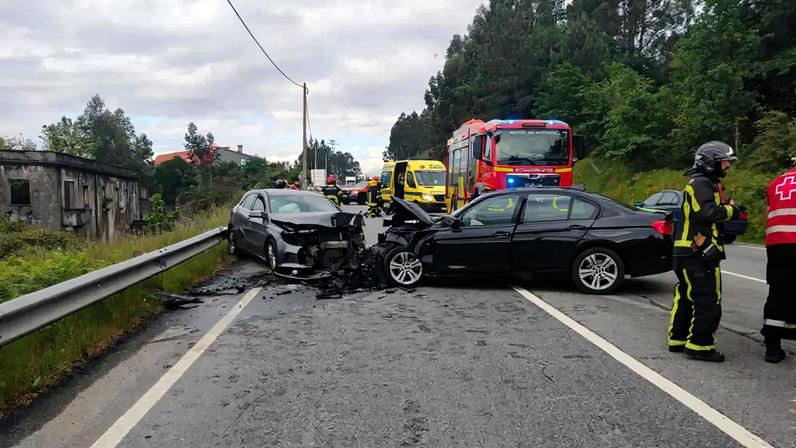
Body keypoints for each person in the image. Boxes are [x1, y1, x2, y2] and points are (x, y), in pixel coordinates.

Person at [667, 141, 741, 362]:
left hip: (687, 253)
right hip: (698, 254)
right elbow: (707, 212)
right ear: (711, 163)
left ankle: (678, 339)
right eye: (725, 161)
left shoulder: (703, 183)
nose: (728, 166)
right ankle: (700, 345)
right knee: (707, 299)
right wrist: (732, 210)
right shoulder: (701, 184)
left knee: (686, 297)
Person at [760, 157, 796, 363]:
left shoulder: (775, 183)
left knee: (778, 291)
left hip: (776, 244)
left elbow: (769, 213)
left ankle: (772, 348)